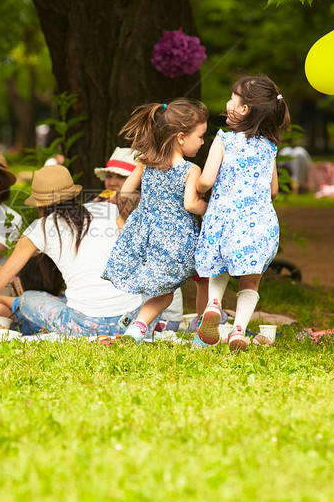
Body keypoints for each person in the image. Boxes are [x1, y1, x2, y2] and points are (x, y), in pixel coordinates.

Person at [0, 165, 144, 336]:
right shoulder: (108, 209)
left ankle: (20, 323)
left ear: (40, 205)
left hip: (85, 325)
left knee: (28, 298)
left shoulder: (40, 229)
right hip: (135, 321)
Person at [194, 74, 290, 351]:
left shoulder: (224, 140)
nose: (227, 102)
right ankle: (239, 331)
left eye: (232, 98)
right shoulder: (269, 147)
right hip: (258, 222)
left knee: (219, 263)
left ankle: (213, 304)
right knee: (251, 278)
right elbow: (273, 190)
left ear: (244, 109)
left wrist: (197, 186)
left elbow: (207, 181)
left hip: (224, 218)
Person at [102, 98, 209, 343]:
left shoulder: (145, 162)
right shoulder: (191, 170)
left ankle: (136, 325)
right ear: (181, 137)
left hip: (148, 235)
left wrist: (142, 209)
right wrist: (210, 208)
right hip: (178, 238)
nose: (202, 142)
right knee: (204, 278)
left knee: (164, 290)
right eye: (200, 136)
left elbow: (127, 192)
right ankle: (203, 329)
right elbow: (191, 204)